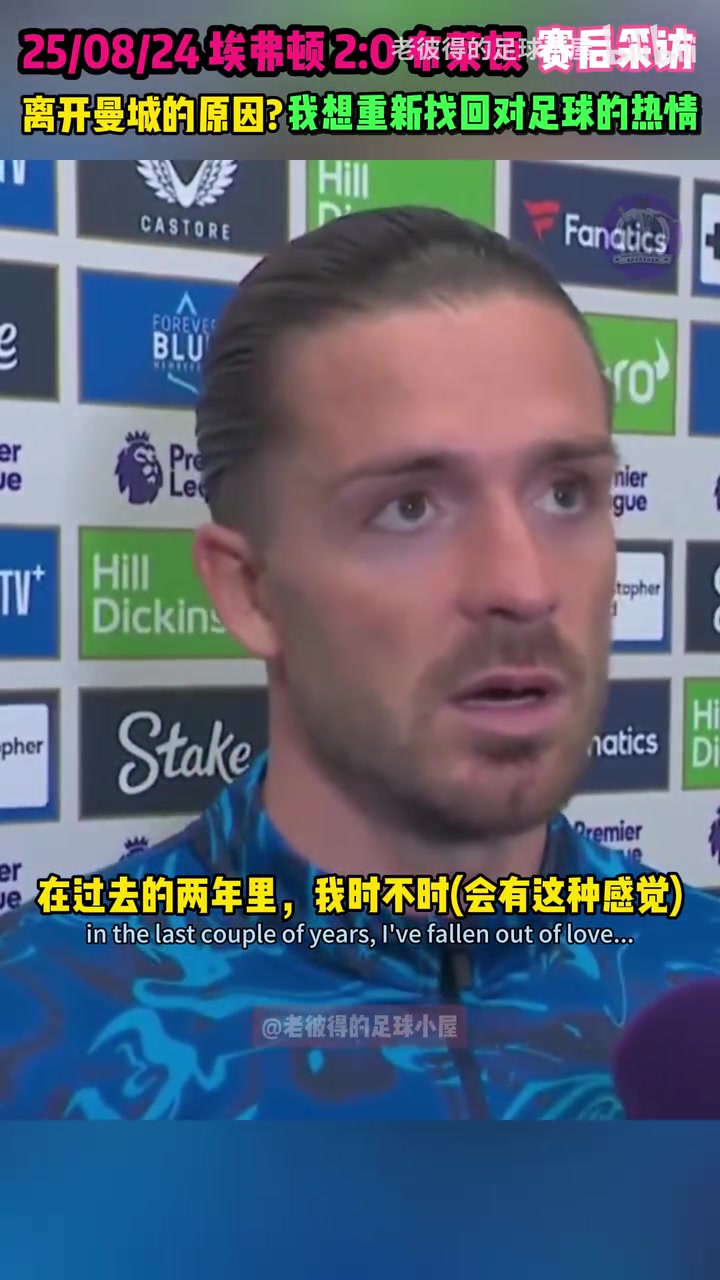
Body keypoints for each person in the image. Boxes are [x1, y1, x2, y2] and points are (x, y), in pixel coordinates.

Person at [1, 206, 718, 1120]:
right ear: (250, 592)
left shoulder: (695, 978)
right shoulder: (37, 1038)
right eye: (409, 508)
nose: (524, 585)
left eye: (564, 493)